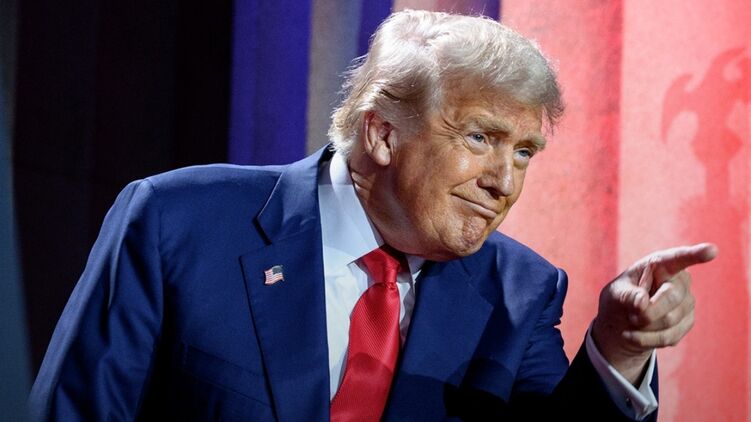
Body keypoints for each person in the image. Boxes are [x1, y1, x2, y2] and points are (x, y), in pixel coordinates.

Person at [29, 10, 717, 421]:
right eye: (479, 137)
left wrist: (621, 347)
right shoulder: (177, 223)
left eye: (524, 152)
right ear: (383, 133)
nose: (504, 181)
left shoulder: (520, 292)